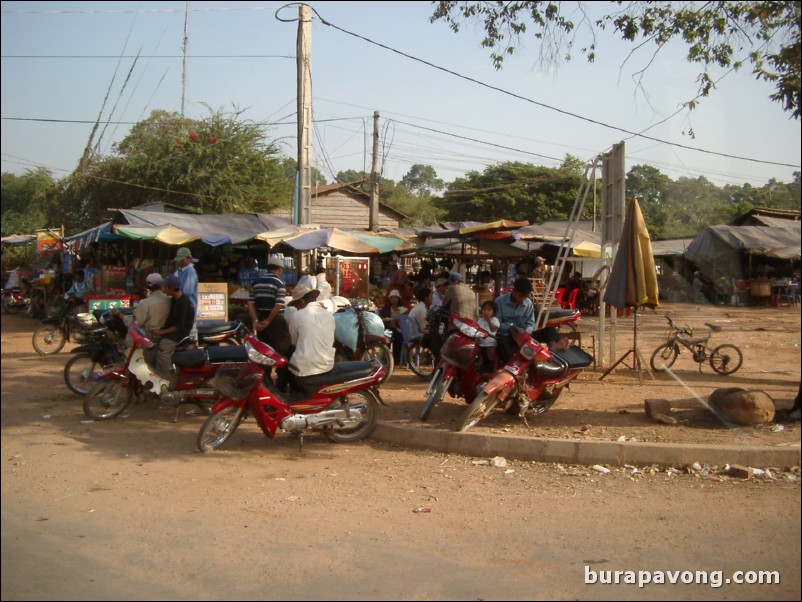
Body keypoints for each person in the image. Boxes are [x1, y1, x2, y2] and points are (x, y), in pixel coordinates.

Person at [248, 256, 292, 392]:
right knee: (282, 354)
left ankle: (265, 386)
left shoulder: (256, 282)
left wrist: (256, 321)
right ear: (279, 269)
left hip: (260, 322)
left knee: (264, 355)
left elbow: (250, 303)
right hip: (275, 322)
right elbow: (278, 305)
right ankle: (280, 387)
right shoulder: (279, 282)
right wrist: (268, 320)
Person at [287, 283, 336, 393]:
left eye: (296, 305)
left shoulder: (297, 316)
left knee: (289, 354)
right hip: (327, 365)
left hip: (305, 369)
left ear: (302, 302)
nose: (296, 308)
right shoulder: (329, 315)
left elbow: (293, 342)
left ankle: (293, 392)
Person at [149, 275, 195, 381]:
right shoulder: (174, 299)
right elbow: (170, 320)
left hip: (181, 333)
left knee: (163, 348)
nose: (163, 289)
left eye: (165, 287)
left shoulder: (183, 302)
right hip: (173, 330)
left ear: (171, 288)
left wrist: (161, 332)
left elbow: (179, 327)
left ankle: (165, 378)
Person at [495, 277, 536, 362]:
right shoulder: (499, 302)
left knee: (549, 332)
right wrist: (512, 329)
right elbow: (497, 324)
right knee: (502, 341)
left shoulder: (528, 303)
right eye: (520, 296)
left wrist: (527, 331)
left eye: (525, 297)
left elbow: (530, 323)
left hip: (522, 336)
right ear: (514, 290)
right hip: (505, 335)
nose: (522, 299)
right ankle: (511, 366)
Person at [380, 289, 407, 365]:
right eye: (392, 298)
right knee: (387, 339)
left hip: (398, 329)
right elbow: (382, 319)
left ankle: (396, 361)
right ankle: (386, 359)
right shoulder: (386, 308)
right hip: (389, 328)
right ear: (390, 299)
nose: (394, 299)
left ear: (398, 299)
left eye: (396, 298)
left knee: (399, 339)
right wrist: (389, 319)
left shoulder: (402, 309)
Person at [477, 300, 500, 370]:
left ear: (493, 312)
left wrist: (488, 320)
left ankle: (494, 370)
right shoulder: (480, 320)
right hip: (480, 343)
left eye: (489, 310)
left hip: (490, 344)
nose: (486, 311)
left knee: (492, 356)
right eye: (484, 309)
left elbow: (493, 329)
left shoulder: (495, 320)